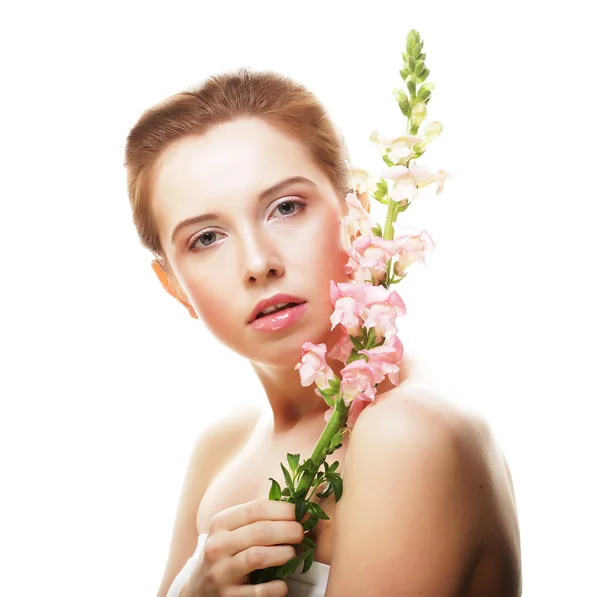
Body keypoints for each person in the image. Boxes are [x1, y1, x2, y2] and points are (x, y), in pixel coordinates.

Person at [124, 67, 522, 597]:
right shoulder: (220, 450)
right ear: (173, 287)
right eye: (207, 238)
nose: (258, 262)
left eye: (286, 207)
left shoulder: (408, 432)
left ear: (356, 212)